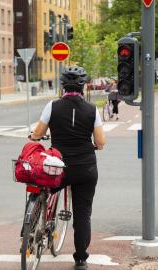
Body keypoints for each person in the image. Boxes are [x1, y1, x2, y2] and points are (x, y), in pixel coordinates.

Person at [30, 66, 106, 270]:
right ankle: (81, 259)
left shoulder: (52, 106)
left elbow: (37, 133)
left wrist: (35, 136)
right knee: (83, 214)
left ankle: (33, 224)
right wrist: (94, 144)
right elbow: (100, 142)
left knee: (42, 188)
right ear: (83, 86)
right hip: (85, 168)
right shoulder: (92, 110)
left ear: (62, 86)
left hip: (58, 166)